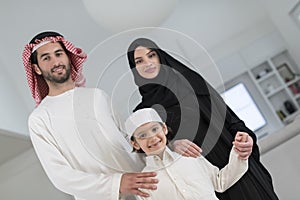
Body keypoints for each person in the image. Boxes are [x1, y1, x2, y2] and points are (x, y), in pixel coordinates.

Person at [126, 38, 279, 200]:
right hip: (200, 182)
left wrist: (246, 138)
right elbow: (150, 154)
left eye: (152, 55)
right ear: (134, 69)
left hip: (233, 163)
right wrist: (171, 144)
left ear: (160, 57)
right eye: (139, 61)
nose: (148, 63)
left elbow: (231, 121)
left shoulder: (192, 82)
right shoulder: (144, 112)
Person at [22, 31, 159, 200]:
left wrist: (170, 147)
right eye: (46, 58)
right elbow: (61, 176)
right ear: (36, 68)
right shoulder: (40, 119)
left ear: (68, 57)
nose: (56, 62)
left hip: (148, 190)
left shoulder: (98, 96)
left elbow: (131, 141)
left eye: (59, 54)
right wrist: (116, 184)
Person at [125, 108, 249, 200]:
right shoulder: (144, 182)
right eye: (142, 135)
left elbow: (220, 182)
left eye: (154, 129)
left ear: (164, 129)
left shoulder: (188, 157)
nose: (152, 137)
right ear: (135, 144)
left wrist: (239, 152)